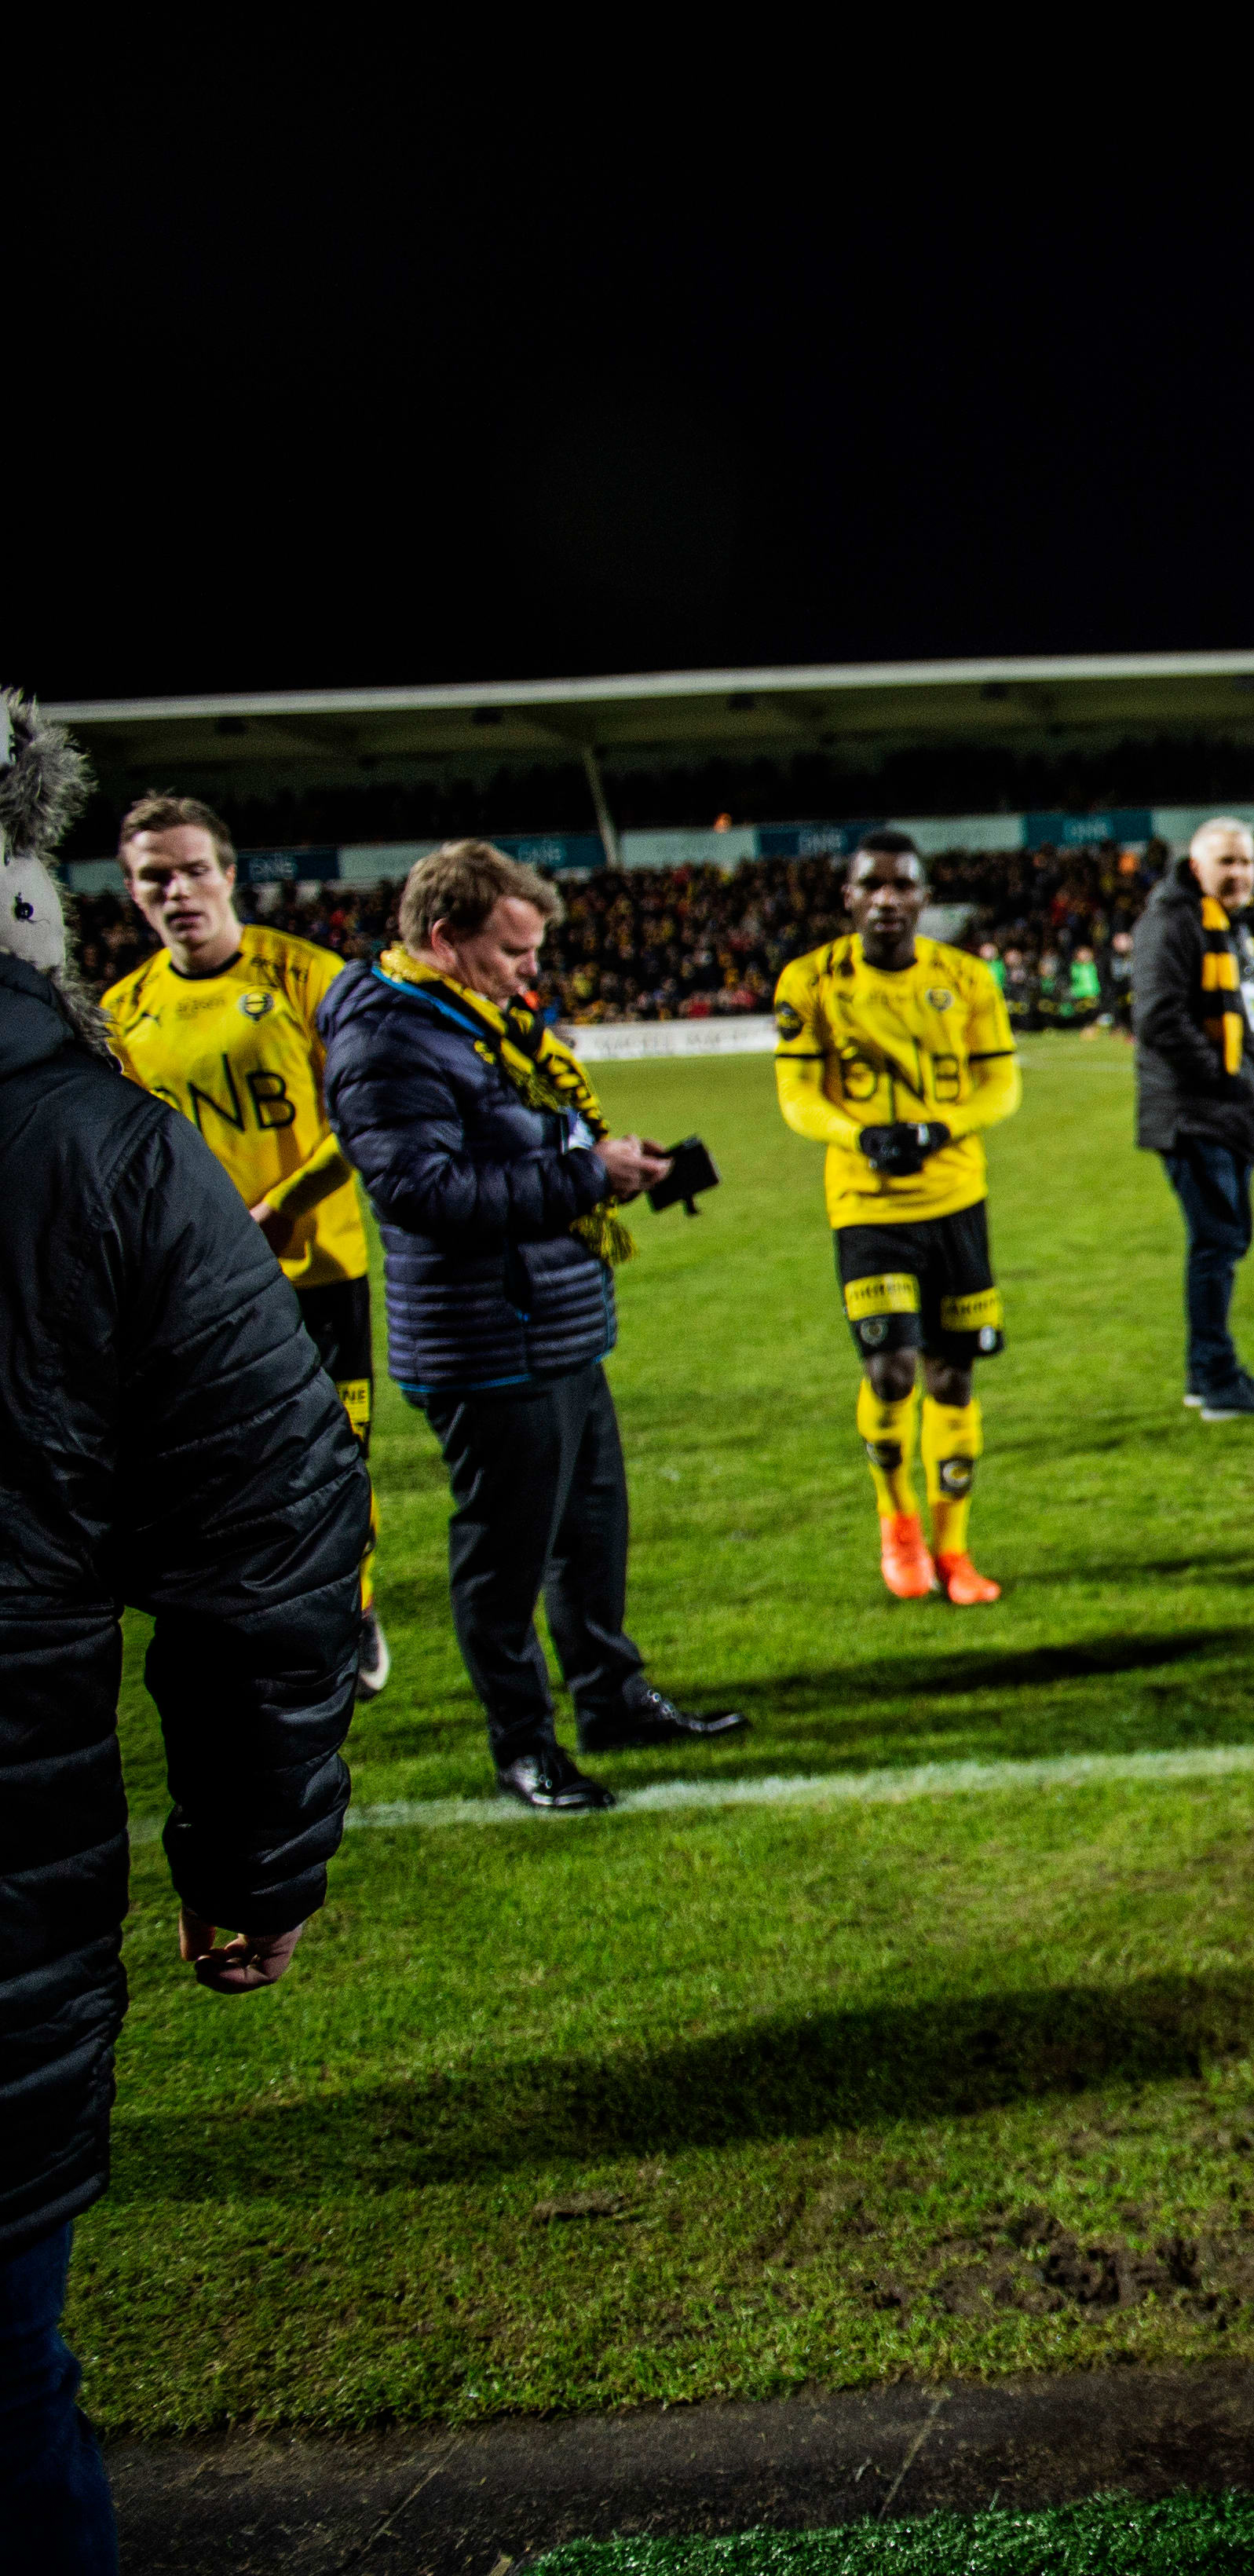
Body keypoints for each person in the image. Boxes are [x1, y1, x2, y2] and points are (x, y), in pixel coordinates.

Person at [0, 693, 362, 2576]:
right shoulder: (93, 1091)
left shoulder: (303, 985)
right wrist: (257, 1848)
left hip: (299, 1288)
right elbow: (262, 1538)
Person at [320, 840, 747, 1811]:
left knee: (590, 1533)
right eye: (514, 950)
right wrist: (586, 1174)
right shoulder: (388, 1039)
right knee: (505, 1556)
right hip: (483, 1339)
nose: (531, 970)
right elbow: (421, 1193)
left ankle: (610, 1699)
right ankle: (522, 1744)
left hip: (551, 1319)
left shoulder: (470, 1022)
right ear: (444, 939)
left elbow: (512, 1144)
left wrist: (607, 1165)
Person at [101, 791, 391, 1691]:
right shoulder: (120, 1013)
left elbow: (368, 1115)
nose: (178, 890)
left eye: (194, 869)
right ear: (133, 892)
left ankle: (354, 1607)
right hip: (198, 1284)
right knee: (226, 1467)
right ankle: (265, 1620)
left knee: (335, 1458)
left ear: (229, 875)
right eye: (156, 877)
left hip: (320, 1268)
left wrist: (284, 1205)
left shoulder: (311, 977)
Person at [774, 832, 1025, 1603]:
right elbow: (797, 1095)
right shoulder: (809, 980)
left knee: (953, 1375)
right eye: (871, 886)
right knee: (889, 1371)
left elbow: (1001, 1086)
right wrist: (858, 1136)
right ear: (848, 897)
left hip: (955, 1201)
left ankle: (955, 1550)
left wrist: (944, 1128)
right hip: (866, 1205)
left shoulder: (965, 978)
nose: (887, 899)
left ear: (923, 898)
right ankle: (899, 1526)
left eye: (902, 885)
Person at [1133, 817, 1254, 1422]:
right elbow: (1159, 1019)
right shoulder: (1173, 923)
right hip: (1196, 1114)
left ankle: (1208, 1376)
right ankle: (1216, 1378)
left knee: (1224, 1240)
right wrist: (1229, 1083)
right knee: (1218, 1243)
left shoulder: (1236, 927)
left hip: (1232, 1112)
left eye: (1246, 862)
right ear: (1196, 867)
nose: (1239, 873)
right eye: (1227, 862)